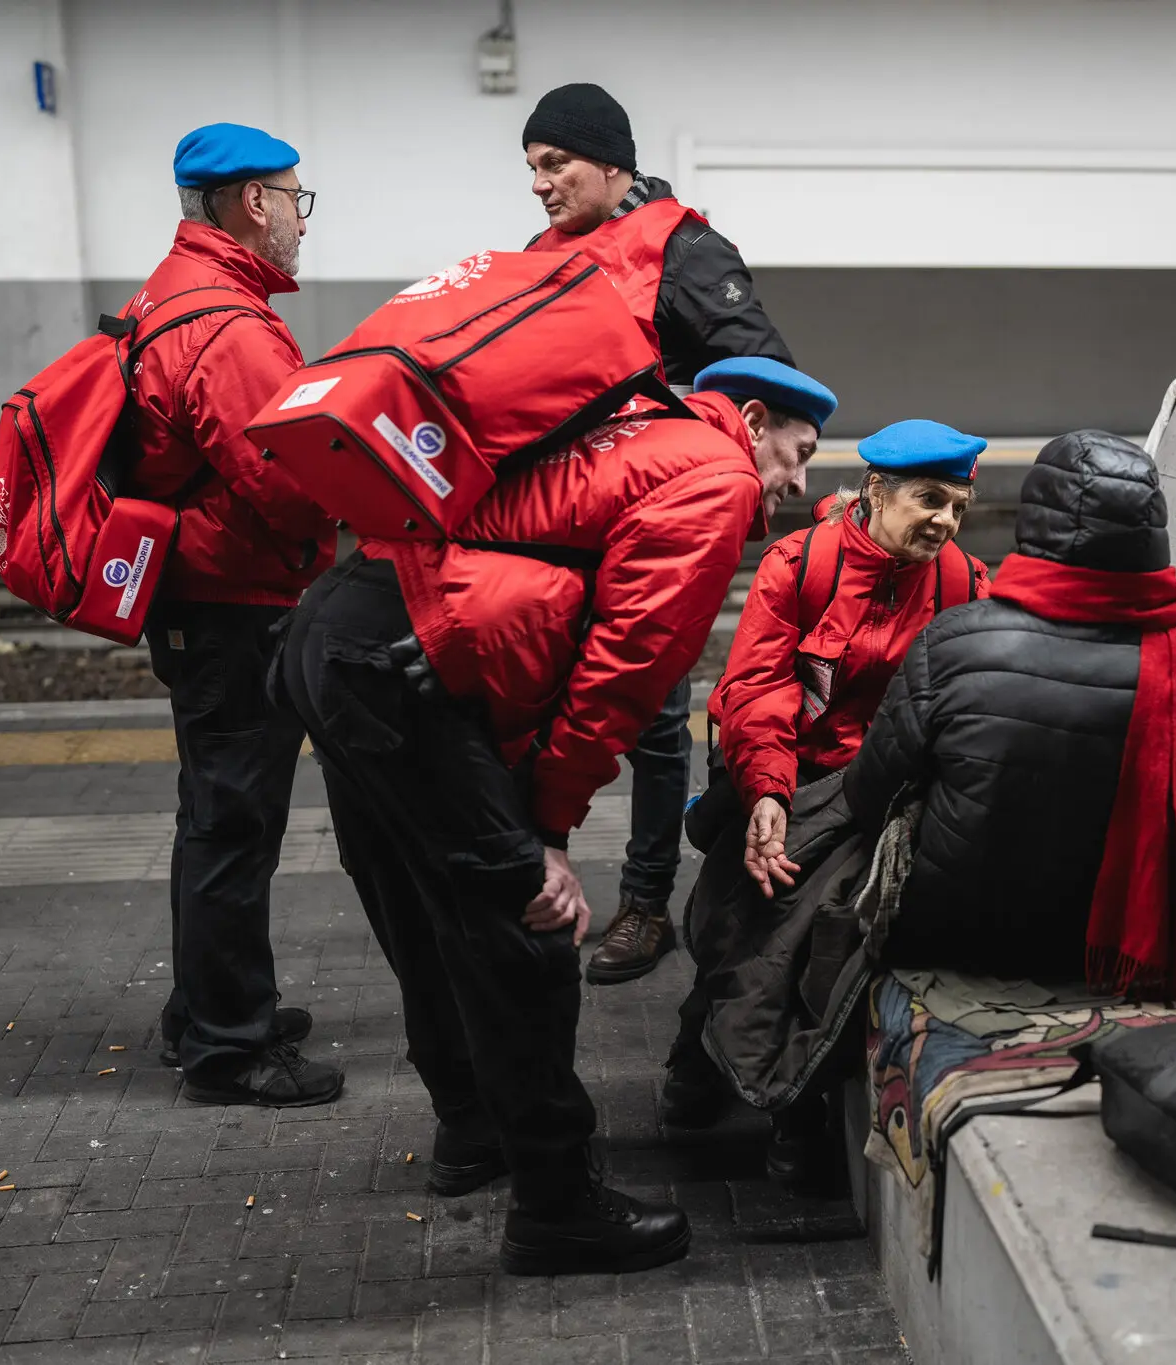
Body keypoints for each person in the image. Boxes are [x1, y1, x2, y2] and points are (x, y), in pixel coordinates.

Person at [276, 355, 835, 1276]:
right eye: (799, 452)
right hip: (416, 662)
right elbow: (627, 667)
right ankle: (557, 1206)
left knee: (423, 907)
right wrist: (544, 832)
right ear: (751, 418)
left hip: (340, 627)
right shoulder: (716, 475)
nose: (799, 483)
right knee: (529, 933)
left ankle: (472, 1129)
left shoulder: (634, 421)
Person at [522, 81, 796, 986]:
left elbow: (767, 372)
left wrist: (670, 431)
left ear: (610, 163)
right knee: (552, 705)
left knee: (651, 719)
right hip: (560, 524)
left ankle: (645, 904)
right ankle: (543, 882)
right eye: (532, 168)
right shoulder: (541, 255)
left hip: (654, 524)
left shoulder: (684, 249)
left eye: (555, 163)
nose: (540, 183)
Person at [663, 419, 990, 1153]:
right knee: (740, 913)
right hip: (790, 775)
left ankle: (796, 1108)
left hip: (885, 792)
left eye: (958, 508)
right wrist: (768, 794)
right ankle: (700, 1058)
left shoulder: (965, 583)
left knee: (829, 938)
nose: (945, 521)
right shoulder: (800, 565)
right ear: (876, 491)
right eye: (930, 499)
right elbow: (756, 690)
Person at [844, 430, 1176, 998]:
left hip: (960, 927)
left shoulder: (955, 639)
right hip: (1132, 933)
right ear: (1150, 527)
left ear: (1034, 521)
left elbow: (870, 794)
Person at [131, 122, 340, 1106]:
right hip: (232, 600)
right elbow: (286, 483)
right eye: (297, 198)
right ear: (255, 202)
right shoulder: (228, 327)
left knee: (211, 816)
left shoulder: (175, 291)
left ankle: (204, 1008)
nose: (302, 218)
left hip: (199, 592)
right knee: (233, 823)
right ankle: (228, 1046)